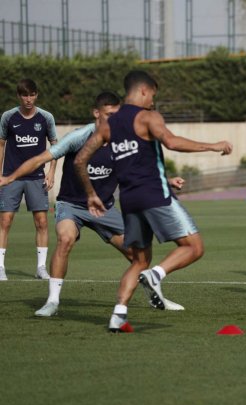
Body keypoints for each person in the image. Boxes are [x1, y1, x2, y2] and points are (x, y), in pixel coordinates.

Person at [74, 70, 233, 332]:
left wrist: (90, 194)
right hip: (154, 195)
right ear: (144, 91)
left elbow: (80, 160)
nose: (153, 102)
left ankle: (118, 315)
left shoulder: (107, 125)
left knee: (139, 261)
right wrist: (213, 145)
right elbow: (171, 142)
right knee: (194, 247)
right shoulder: (147, 117)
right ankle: (156, 275)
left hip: (129, 201)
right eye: (153, 96)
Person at [0, 91, 184, 316]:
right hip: (71, 205)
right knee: (65, 239)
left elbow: (139, 171)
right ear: (96, 113)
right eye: (109, 115)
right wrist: (9, 178)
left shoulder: (123, 140)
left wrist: (166, 180)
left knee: (139, 256)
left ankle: (157, 297)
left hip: (103, 208)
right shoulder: (79, 137)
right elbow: (41, 158)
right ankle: (52, 302)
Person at [0, 79, 58, 281]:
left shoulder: (46, 118)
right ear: (19, 96)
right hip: (11, 178)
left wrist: (51, 173)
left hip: (36, 177)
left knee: (42, 222)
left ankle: (41, 268)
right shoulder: (8, 117)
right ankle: (0, 267)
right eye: (25, 95)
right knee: (5, 221)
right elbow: (1, 145)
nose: (28, 99)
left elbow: (54, 146)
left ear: (37, 95)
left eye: (32, 94)